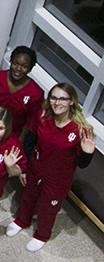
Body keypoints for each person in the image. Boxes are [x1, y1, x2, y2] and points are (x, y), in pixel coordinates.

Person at [7, 83, 96, 251]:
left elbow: (82, 164)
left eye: (63, 99)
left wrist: (88, 153)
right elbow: (29, 142)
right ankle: (22, 220)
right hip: (35, 168)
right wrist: (24, 168)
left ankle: (42, 235)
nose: (57, 102)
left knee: (48, 208)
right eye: (54, 98)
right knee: (27, 196)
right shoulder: (43, 116)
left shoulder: (80, 129)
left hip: (58, 178)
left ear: (71, 101)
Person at [0, 45, 44, 136]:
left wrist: (19, 142)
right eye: (15, 63)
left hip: (10, 137)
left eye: (24, 66)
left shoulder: (35, 93)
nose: (18, 68)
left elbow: (29, 123)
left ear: (30, 69)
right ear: (10, 62)